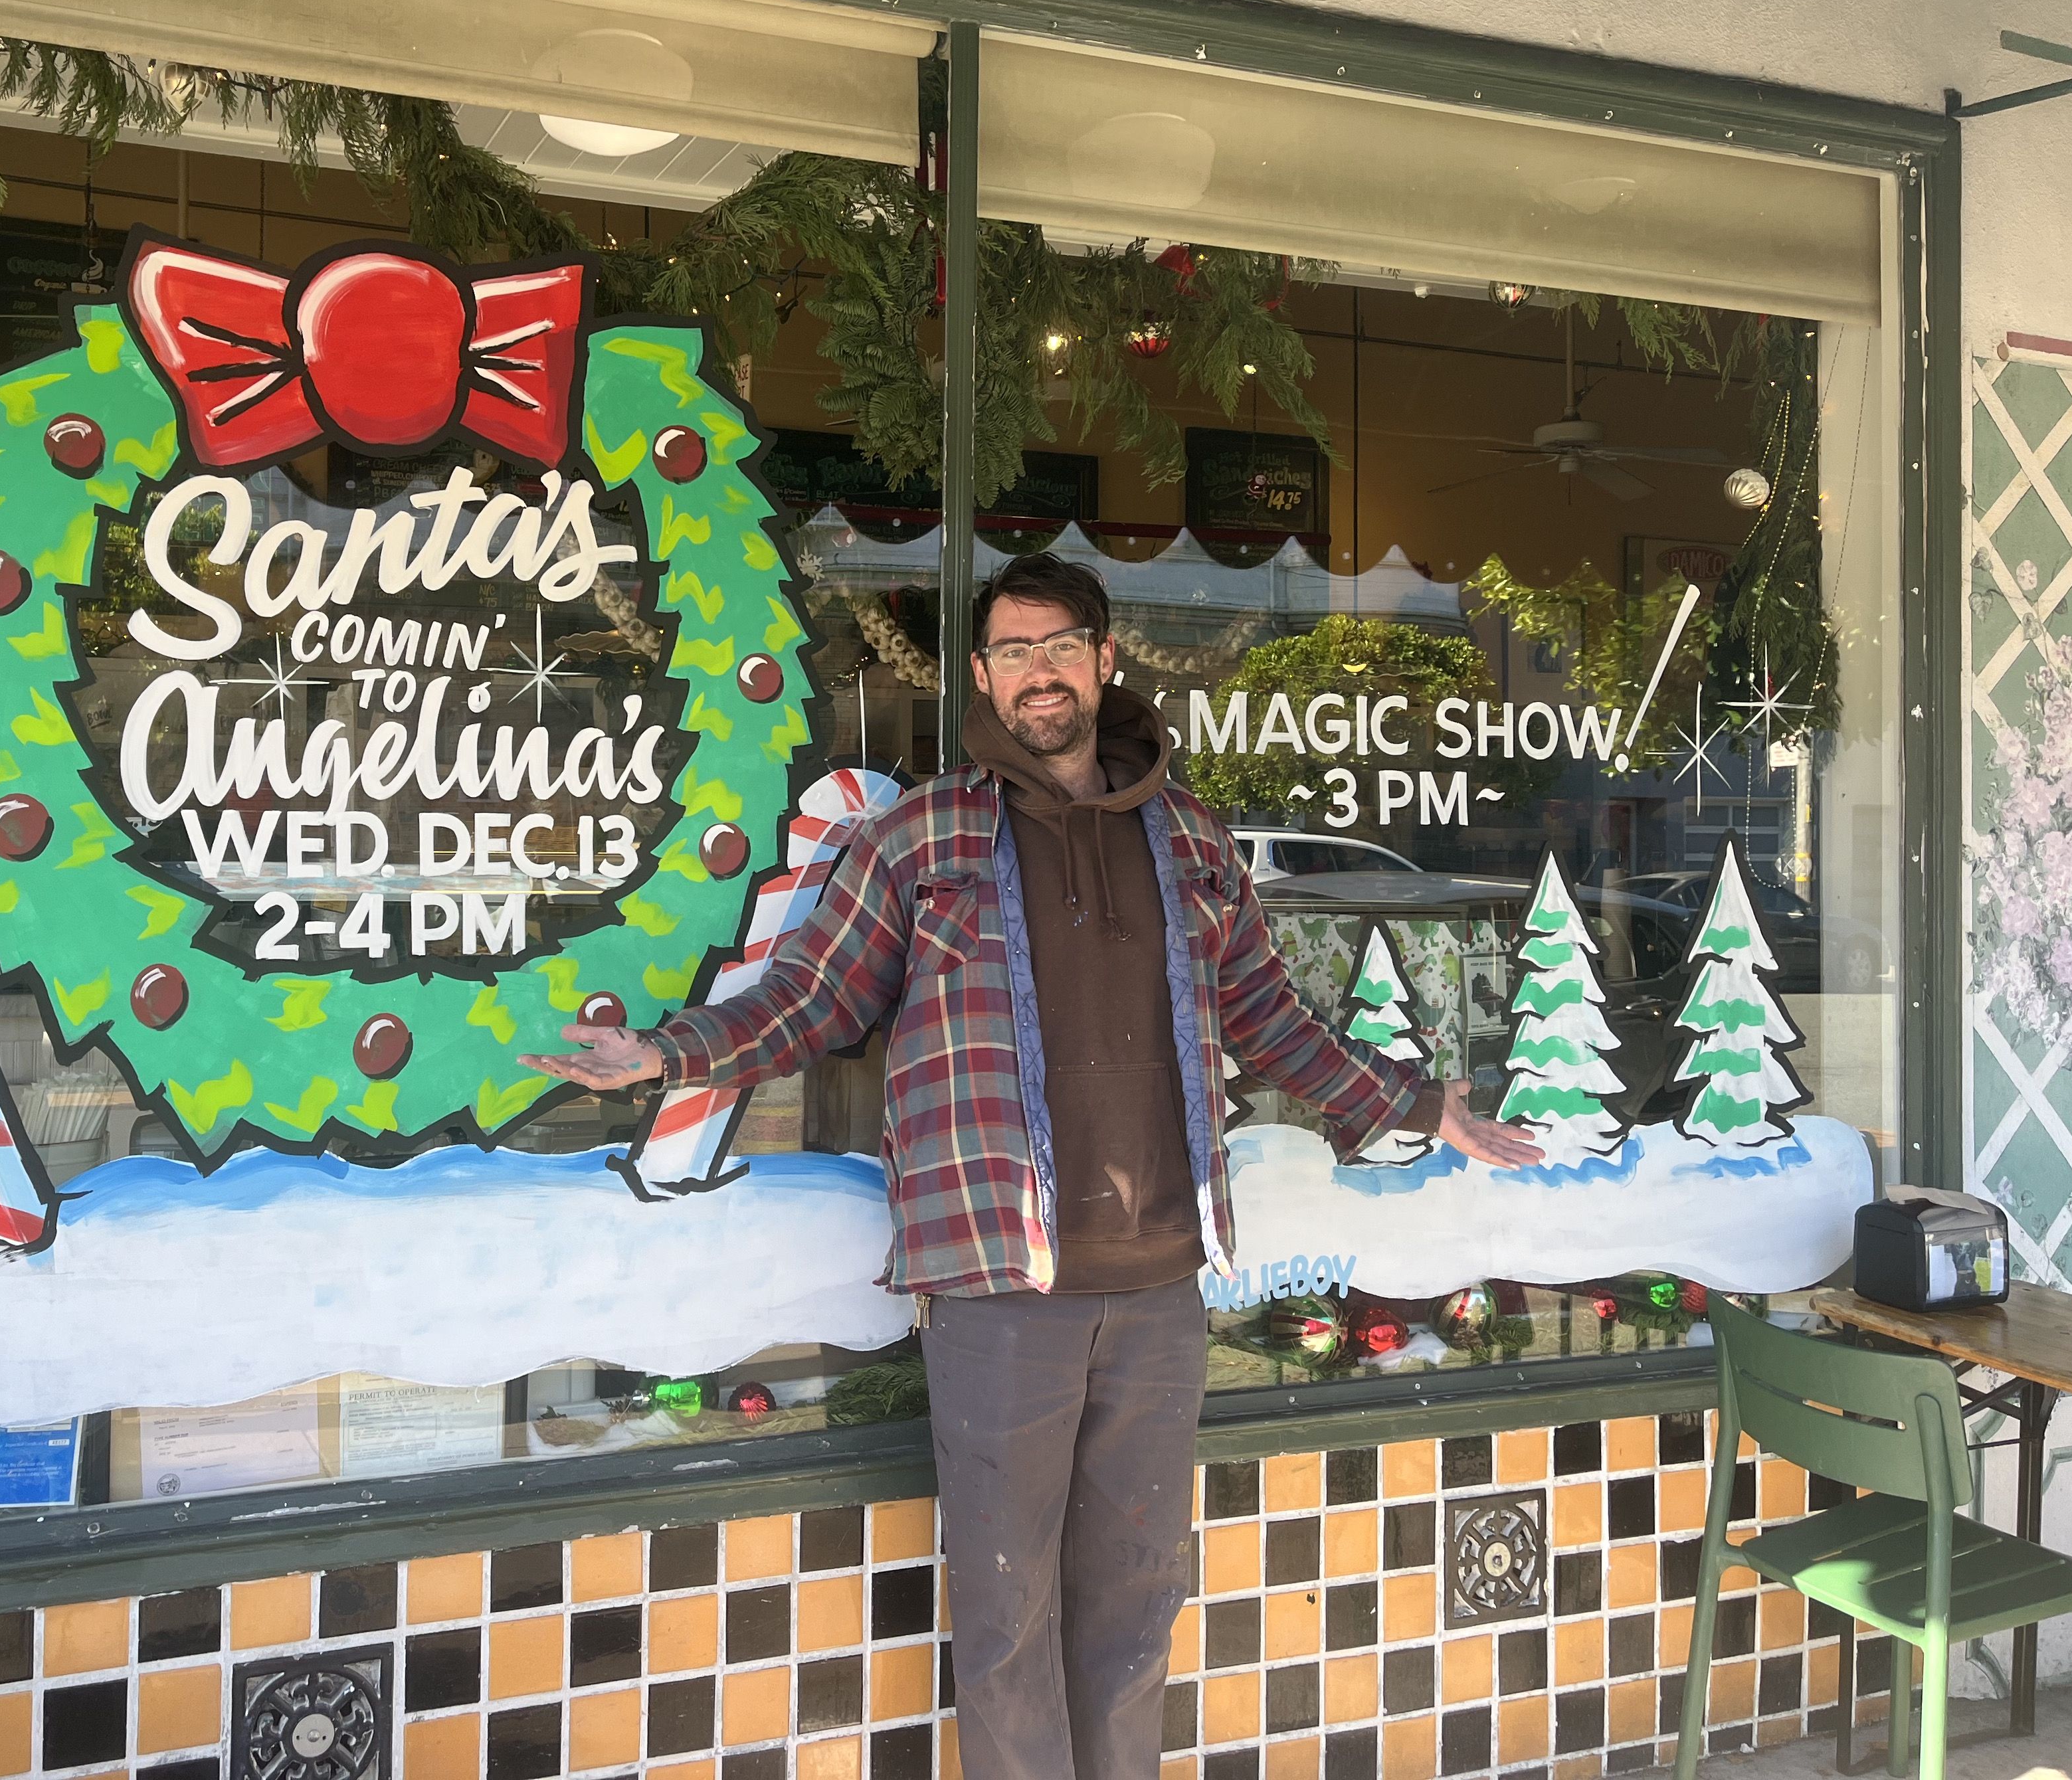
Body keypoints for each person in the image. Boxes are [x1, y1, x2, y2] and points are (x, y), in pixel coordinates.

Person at [523, 551, 1543, 1779]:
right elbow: (812, 997)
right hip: (1000, 1289)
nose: (1039, 673)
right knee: (1008, 1619)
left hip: (1163, 1286)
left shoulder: (1194, 840)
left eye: (1060, 647)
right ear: (981, 677)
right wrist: (664, 1055)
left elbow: (1267, 1018)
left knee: (1135, 1604)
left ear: (1106, 662)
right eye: (1013, 653)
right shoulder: (921, 837)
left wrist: (1420, 1104)